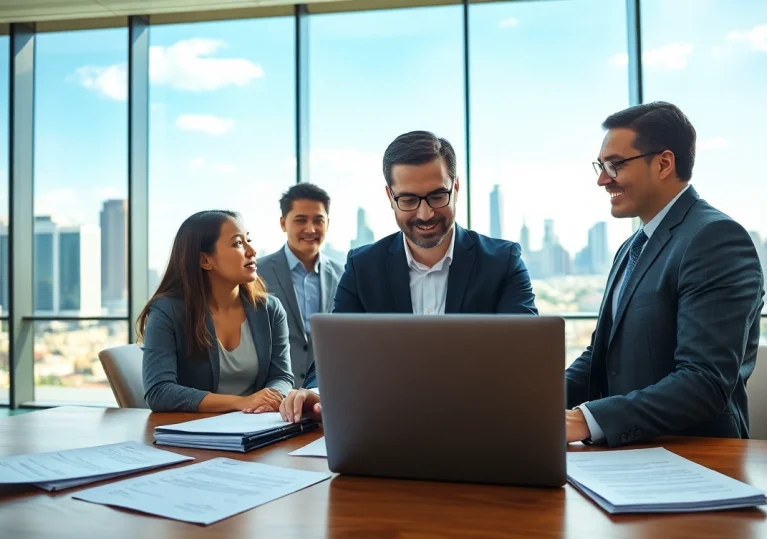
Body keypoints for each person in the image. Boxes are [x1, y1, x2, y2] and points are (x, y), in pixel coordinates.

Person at [281, 130, 538, 422]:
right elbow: (337, 357)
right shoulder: (362, 266)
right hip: (386, 425)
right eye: (408, 200)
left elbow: (525, 361)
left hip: (481, 423)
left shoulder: (502, 262)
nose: (425, 214)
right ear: (390, 196)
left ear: (456, 188)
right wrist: (317, 391)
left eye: (437, 196)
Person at [564, 101, 764, 446]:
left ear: (664, 163)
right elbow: (600, 356)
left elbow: (704, 383)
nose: (601, 179)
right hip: (628, 451)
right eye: (600, 165)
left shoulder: (714, 239)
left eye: (614, 165)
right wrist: (532, 403)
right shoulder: (632, 248)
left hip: (694, 455)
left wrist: (587, 420)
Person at [139, 210, 295, 413]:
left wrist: (269, 400)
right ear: (205, 261)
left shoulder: (270, 309)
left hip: (258, 425)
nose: (252, 250)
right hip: (195, 431)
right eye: (238, 243)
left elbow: (282, 377)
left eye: (248, 240)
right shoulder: (167, 311)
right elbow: (159, 392)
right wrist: (241, 402)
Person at [257, 183, 344, 388]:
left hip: (325, 392)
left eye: (318, 220)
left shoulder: (345, 275)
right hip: (271, 394)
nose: (311, 229)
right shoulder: (257, 274)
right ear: (283, 223)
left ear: (328, 223)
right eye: (300, 220)